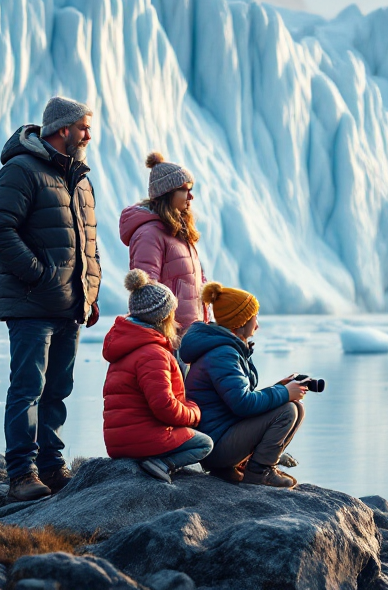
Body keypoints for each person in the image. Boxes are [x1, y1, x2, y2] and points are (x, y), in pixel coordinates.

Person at [0, 96, 102, 502]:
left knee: (58, 390)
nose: (90, 134)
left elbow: (88, 243)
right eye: (84, 126)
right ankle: (21, 475)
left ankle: (51, 467)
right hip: (33, 305)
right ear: (63, 128)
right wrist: (38, 274)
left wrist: (92, 292)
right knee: (28, 388)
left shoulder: (80, 180)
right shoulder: (21, 170)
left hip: (70, 306)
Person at [179, 282, 306, 488]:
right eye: (255, 317)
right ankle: (259, 472)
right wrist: (283, 393)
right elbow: (243, 404)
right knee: (288, 410)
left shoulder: (226, 348)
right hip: (216, 446)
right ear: (241, 322)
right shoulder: (223, 354)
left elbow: (237, 398)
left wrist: (280, 387)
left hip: (220, 437)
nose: (257, 325)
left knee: (295, 406)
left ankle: (245, 467)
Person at [102, 269, 213, 483]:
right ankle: (162, 464)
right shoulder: (153, 354)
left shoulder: (124, 347)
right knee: (204, 444)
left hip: (117, 441)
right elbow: (164, 407)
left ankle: (157, 459)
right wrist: (193, 413)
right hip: (143, 440)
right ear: (164, 317)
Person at [119, 152, 208, 337]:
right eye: (185, 189)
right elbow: (147, 293)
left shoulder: (180, 231)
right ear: (167, 192)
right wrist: (165, 337)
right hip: (169, 337)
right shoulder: (149, 234)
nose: (190, 196)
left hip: (191, 336)